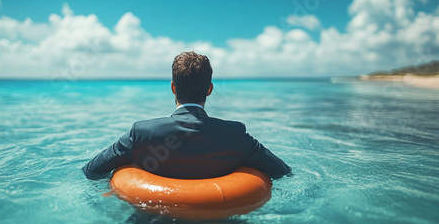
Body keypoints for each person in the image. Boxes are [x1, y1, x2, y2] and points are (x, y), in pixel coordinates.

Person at [82, 51, 291, 180]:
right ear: (209, 89)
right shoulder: (235, 134)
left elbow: (92, 170)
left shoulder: (141, 133)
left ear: (173, 88)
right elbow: (282, 171)